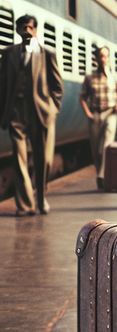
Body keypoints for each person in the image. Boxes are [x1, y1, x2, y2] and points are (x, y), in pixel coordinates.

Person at [0, 15, 63, 216]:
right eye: (22, 28)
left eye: (29, 27)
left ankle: (41, 198)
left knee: (43, 160)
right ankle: (25, 205)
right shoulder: (9, 53)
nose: (26, 31)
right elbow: (2, 84)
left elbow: (57, 87)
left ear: (35, 30)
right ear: (17, 30)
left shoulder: (47, 53)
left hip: (41, 112)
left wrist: (53, 109)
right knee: (19, 159)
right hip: (16, 112)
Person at [79, 45, 117, 190]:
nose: (104, 59)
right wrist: (87, 112)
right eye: (101, 56)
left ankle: (102, 175)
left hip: (110, 113)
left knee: (106, 144)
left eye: (106, 56)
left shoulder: (116, 77)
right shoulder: (90, 78)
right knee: (95, 149)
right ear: (96, 59)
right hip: (95, 114)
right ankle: (100, 171)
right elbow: (82, 97)